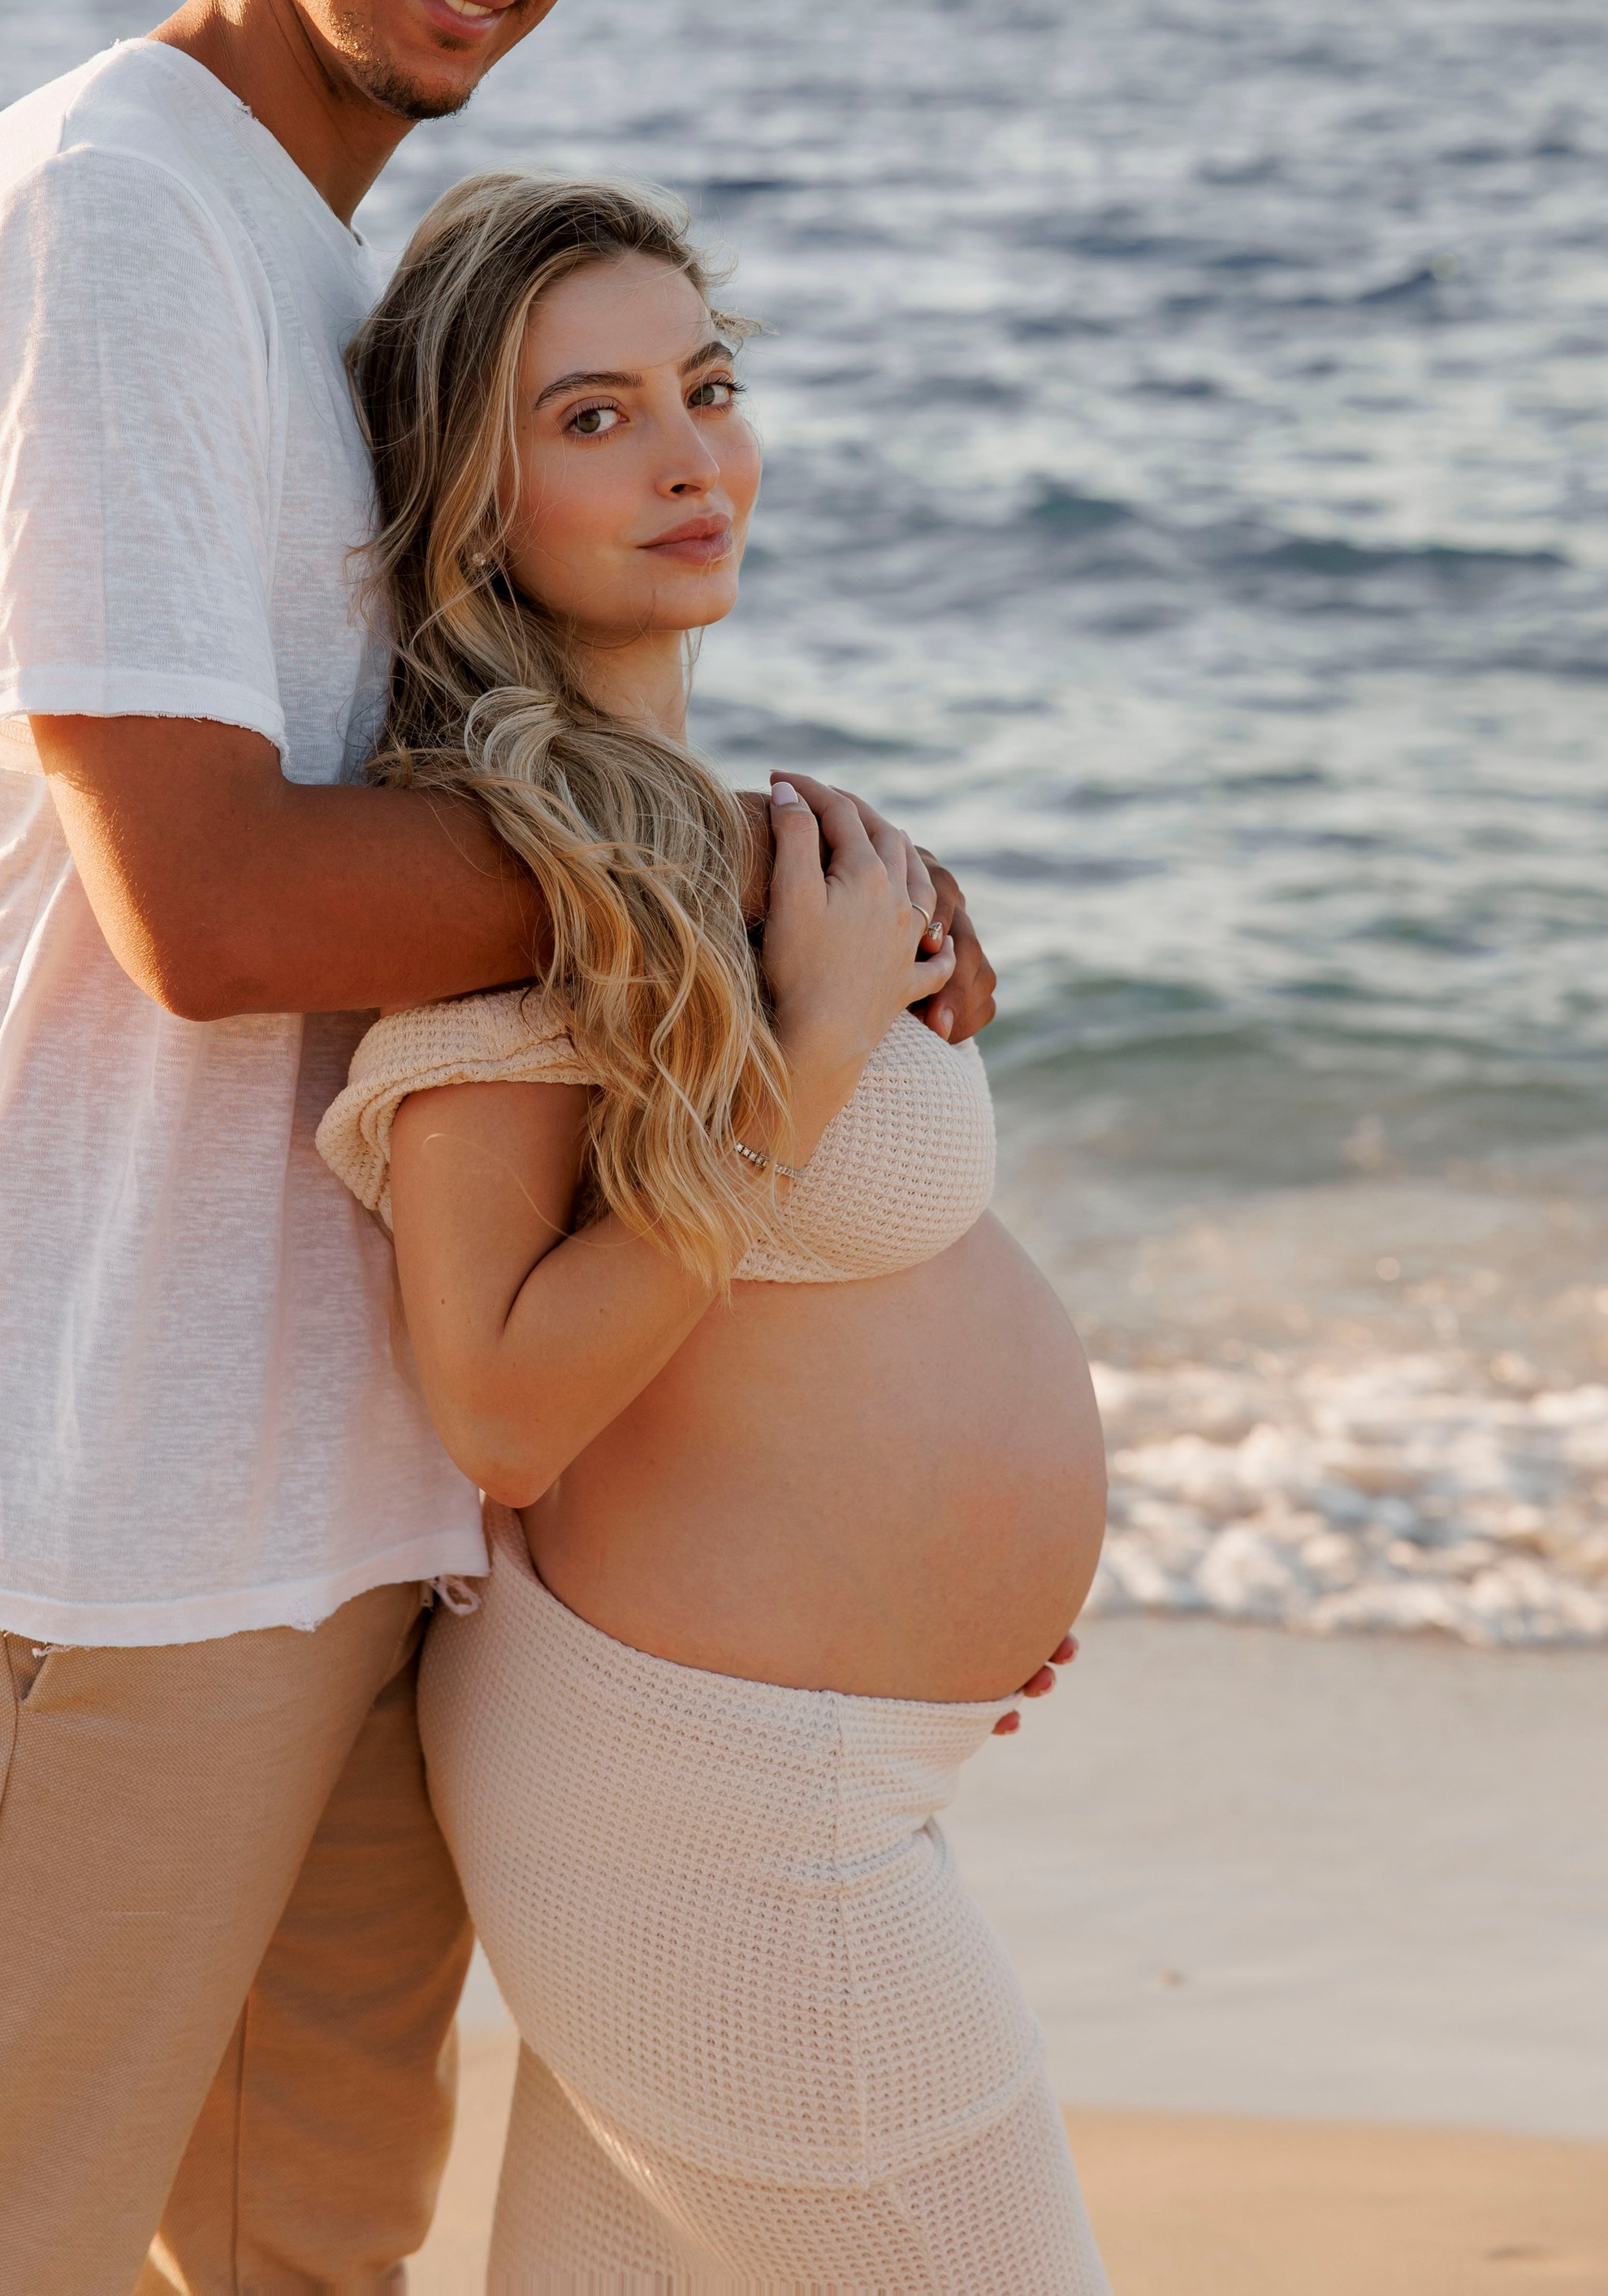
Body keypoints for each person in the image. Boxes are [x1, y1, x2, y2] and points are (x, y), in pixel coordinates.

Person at [0, 0, 999, 2291]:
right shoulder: (109, 219)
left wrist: (860, 1569)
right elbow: (221, 904)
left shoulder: (317, 265)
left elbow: (462, 969)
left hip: (329, 1503)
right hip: (78, 1507)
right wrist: (736, 881)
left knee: (301, 2257)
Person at [318, 170, 1109, 2287]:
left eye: (710, 383)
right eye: (593, 416)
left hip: (785, 1783)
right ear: (472, 501)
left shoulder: (683, 826)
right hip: (717, 1828)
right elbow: (496, 1402)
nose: (690, 453)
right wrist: (825, 1049)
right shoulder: (499, 865)